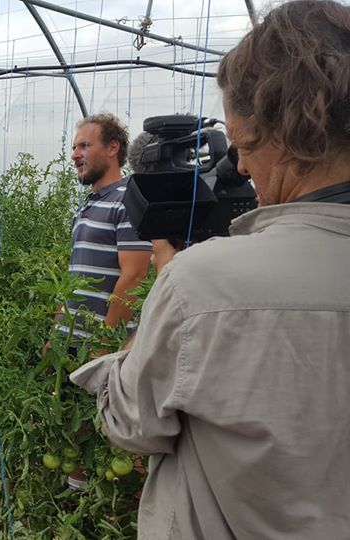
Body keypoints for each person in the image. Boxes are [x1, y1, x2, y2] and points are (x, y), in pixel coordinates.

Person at [70, 1, 350, 537]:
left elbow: (130, 421)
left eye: (243, 146)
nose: (240, 168)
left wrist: (171, 279)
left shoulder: (203, 283)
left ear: (283, 133)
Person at [54, 113, 152, 351]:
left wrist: (104, 343)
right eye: (75, 147)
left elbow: (134, 277)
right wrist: (56, 333)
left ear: (113, 148)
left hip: (99, 346)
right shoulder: (91, 202)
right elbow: (75, 274)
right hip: (70, 344)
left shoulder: (128, 199)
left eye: (85, 146)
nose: (75, 154)